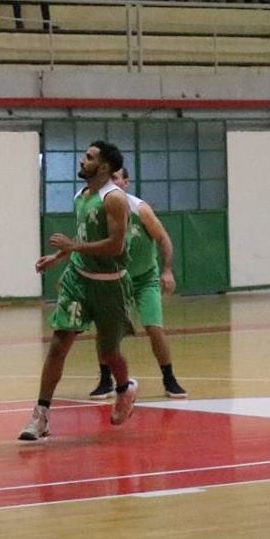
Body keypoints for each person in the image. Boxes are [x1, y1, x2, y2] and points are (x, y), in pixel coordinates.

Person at [19, 140, 138, 441]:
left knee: (109, 352)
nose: (82, 160)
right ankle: (41, 415)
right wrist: (59, 257)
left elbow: (116, 245)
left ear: (105, 167)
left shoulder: (114, 199)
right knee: (59, 344)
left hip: (110, 285)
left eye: (89, 157)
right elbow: (82, 236)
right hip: (78, 279)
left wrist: (74, 247)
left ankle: (125, 389)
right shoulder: (81, 195)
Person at [87, 165, 185, 400]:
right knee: (106, 331)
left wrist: (168, 270)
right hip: (115, 279)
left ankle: (169, 378)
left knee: (154, 327)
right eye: (108, 179)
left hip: (144, 279)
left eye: (116, 178)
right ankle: (105, 380)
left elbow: (163, 238)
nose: (112, 183)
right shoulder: (99, 209)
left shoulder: (140, 209)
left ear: (126, 182)